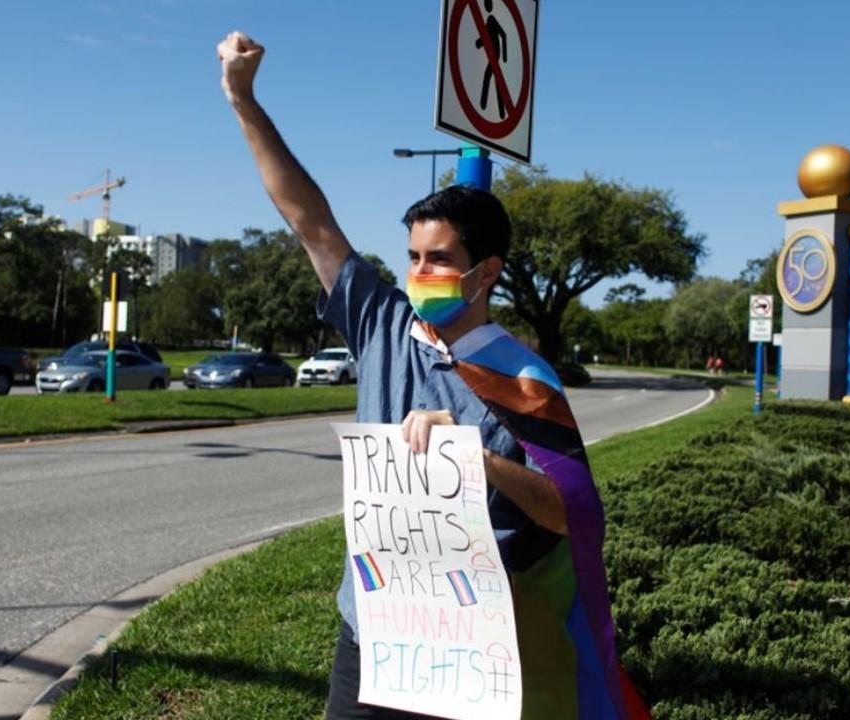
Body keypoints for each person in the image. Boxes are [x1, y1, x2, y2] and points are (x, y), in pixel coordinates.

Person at [216, 31, 649, 720]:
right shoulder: (383, 326)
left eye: (438, 259)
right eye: (412, 256)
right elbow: (310, 221)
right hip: (370, 631)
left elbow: (570, 514)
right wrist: (243, 100)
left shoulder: (526, 379)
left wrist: (476, 463)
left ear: (485, 273)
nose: (419, 274)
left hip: (469, 645)